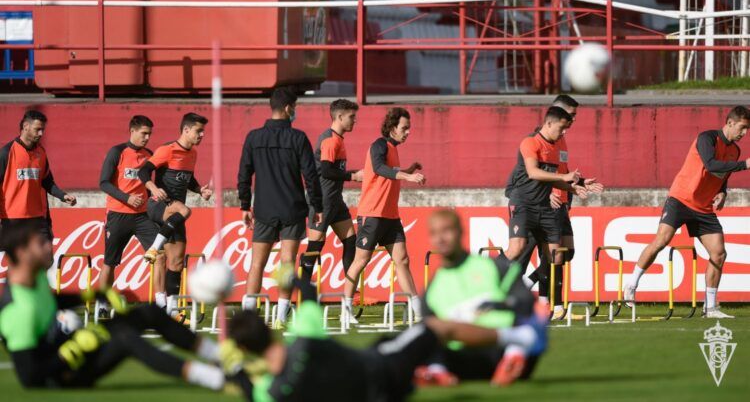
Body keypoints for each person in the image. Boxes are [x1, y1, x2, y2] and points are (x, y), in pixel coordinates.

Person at [220, 268, 544, 402]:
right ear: (268, 329)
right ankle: (519, 338)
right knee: (434, 328)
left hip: (375, 394)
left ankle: (434, 370)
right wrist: (289, 274)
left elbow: (248, 389)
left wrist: (231, 362)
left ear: (246, 349)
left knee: (391, 341)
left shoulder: (272, 391)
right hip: (384, 370)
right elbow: (309, 292)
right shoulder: (303, 334)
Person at [0, 219, 225, 391]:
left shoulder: (34, 278)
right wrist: (68, 354)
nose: (50, 246)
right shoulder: (17, 312)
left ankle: (221, 356)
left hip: (77, 346)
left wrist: (93, 295)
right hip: (65, 375)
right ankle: (214, 378)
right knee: (125, 339)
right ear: (21, 253)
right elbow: (29, 377)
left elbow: (48, 303)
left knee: (149, 311)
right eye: (41, 243)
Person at [625, 106, 750, 319]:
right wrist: (745, 165)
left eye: (747, 130)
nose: (744, 133)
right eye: (742, 128)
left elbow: (723, 175)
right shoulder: (707, 138)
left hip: (703, 207)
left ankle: (710, 308)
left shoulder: (734, 150)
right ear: (730, 123)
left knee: (719, 253)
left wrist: (722, 193)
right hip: (681, 198)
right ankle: (631, 284)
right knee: (662, 240)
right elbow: (711, 165)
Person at [416, 209, 547, 387]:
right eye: (434, 233)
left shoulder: (495, 267)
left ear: (460, 232)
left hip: (501, 350)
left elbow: (527, 303)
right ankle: (438, 372)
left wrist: (501, 305)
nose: (441, 238)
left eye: (447, 230)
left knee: (536, 320)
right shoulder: (433, 288)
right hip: (462, 357)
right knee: (418, 335)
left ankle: (513, 357)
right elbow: (427, 332)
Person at [237, 86, 323, 328]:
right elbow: (311, 176)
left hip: (263, 209)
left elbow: (244, 173)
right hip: (292, 209)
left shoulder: (253, 137)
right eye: (294, 107)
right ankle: (281, 315)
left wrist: (245, 204)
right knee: (287, 263)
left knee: (256, 264)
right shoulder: (298, 138)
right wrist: (317, 204)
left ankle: (248, 315)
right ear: (288, 108)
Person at [511, 96, 604, 319]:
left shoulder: (559, 140)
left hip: (560, 204)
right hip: (538, 204)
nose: (572, 121)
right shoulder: (535, 139)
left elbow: (561, 171)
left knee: (562, 254)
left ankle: (547, 303)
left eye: (574, 117)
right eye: (570, 116)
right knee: (521, 254)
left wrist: (577, 185)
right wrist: (552, 192)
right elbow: (530, 175)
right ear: (555, 115)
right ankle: (524, 297)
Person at [342, 107, 426, 324]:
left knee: (403, 260)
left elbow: (388, 174)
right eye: (404, 128)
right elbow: (379, 169)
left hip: (390, 216)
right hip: (372, 214)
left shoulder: (393, 148)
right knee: (361, 260)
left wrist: (407, 169)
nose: (408, 132)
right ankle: (346, 308)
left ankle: (418, 309)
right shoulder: (379, 144)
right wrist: (407, 176)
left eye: (409, 128)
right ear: (392, 127)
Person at [501, 106, 586, 283]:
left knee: (557, 257)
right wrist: (565, 177)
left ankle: (549, 306)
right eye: (561, 128)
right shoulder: (530, 142)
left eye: (565, 129)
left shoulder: (555, 148)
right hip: (524, 204)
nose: (563, 133)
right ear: (548, 123)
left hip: (545, 208)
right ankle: (487, 277)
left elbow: (549, 178)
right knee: (517, 248)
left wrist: (573, 188)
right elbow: (533, 172)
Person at [138, 113, 213, 313]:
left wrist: (200, 190)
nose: (202, 135)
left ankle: (168, 309)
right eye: (199, 131)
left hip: (174, 214)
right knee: (185, 209)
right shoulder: (167, 150)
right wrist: (152, 188)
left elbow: (188, 179)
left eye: (203, 131)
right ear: (186, 130)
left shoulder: (192, 154)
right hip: (158, 206)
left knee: (177, 261)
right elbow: (143, 171)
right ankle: (154, 247)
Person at [98, 115, 164, 316]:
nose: (147, 137)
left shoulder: (149, 155)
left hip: (142, 216)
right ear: (132, 131)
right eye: (144, 133)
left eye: (149, 134)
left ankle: (161, 304)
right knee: (110, 262)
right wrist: (126, 198)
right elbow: (103, 183)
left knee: (159, 254)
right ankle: (102, 304)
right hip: (118, 215)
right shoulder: (117, 152)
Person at [301, 99, 364, 283]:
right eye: (352, 117)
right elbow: (328, 171)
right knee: (315, 247)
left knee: (351, 240)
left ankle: (350, 290)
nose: (355, 120)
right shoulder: (330, 140)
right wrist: (353, 177)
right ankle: (301, 294)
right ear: (339, 116)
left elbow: (333, 171)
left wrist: (355, 173)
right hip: (323, 201)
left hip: (335, 200)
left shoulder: (338, 139)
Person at [0, 110, 76, 241]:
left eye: (43, 130)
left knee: (45, 260)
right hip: (12, 219)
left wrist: (62, 195)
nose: (41, 133)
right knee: (18, 261)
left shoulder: (41, 153)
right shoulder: (7, 153)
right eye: (38, 129)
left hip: (37, 218)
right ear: (25, 127)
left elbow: (47, 181)